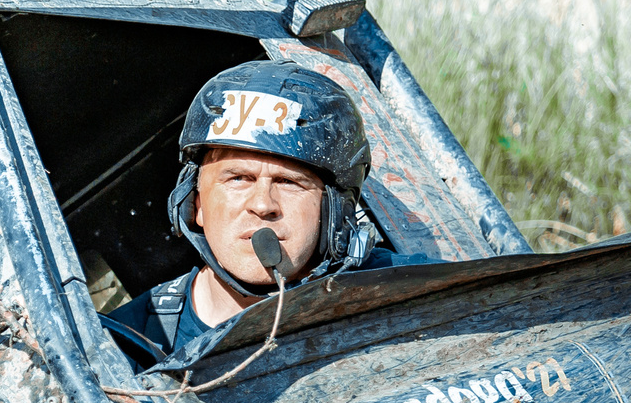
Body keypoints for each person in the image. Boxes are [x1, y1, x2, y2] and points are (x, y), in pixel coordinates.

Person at [102, 60, 434, 367]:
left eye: (289, 182)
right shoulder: (121, 349)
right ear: (196, 204)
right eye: (238, 178)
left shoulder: (407, 293)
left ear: (334, 214)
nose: (262, 204)